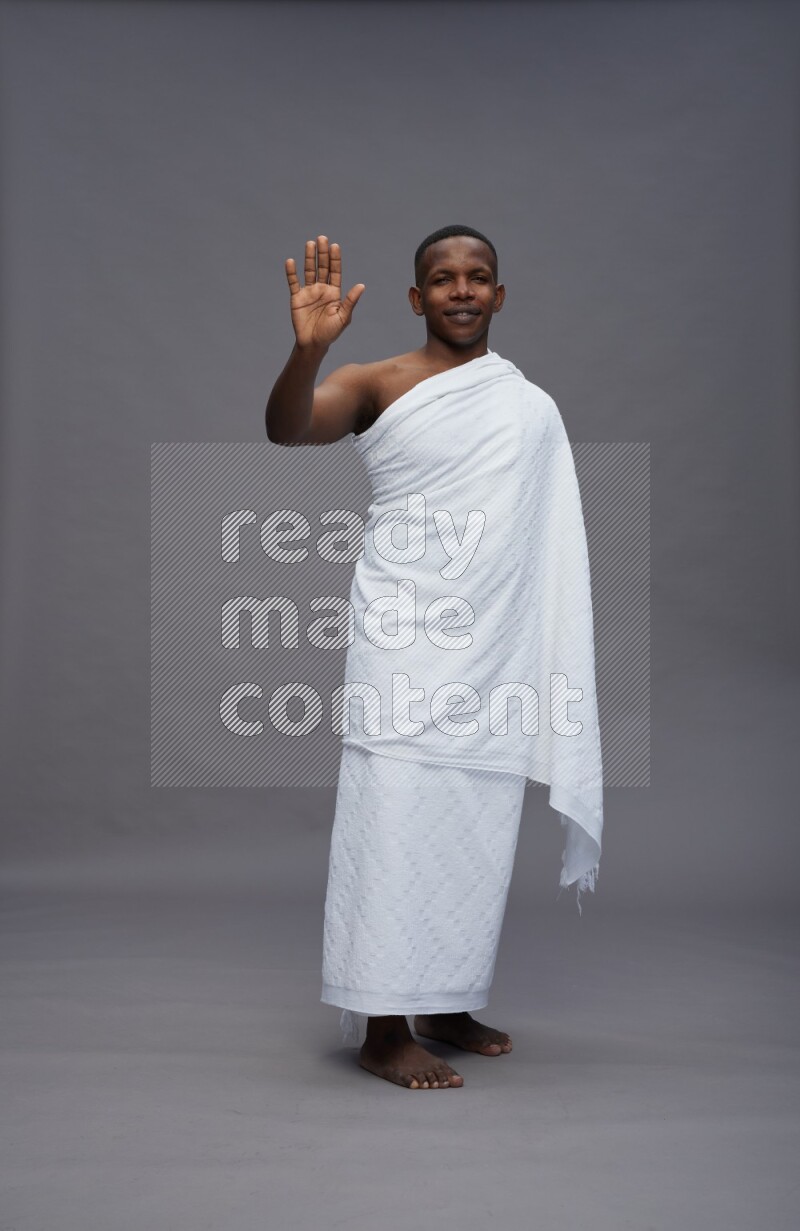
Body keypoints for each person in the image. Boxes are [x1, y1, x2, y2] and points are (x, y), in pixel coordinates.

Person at [265, 226, 603, 1090]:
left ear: (499, 295)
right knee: (393, 823)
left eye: (478, 277)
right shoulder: (375, 382)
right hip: (404, 639)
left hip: (493, 650)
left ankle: (446, 1001)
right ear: (417, 298)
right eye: (443, 279)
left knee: (474, 828)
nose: (461, 289)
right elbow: (289, 429)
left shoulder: (530, 406)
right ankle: (384, 1029)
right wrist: (308, 352)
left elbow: (543, 544)